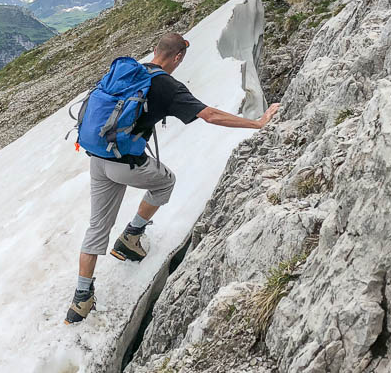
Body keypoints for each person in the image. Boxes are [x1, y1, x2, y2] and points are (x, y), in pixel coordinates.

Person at [65, 32, 280, 324]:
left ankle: (80, 300)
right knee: (165, 182)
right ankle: (131, 236)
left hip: (98, 158)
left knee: (96, 227)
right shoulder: (167, 86)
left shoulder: (131, 72)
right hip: (125, 163)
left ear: (156, 50)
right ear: (178, 57)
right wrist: (257, 123)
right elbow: (210, 115)